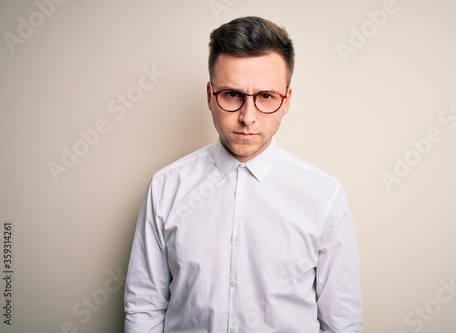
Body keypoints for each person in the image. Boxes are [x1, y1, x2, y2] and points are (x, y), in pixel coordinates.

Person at [124, 16, 362, 333]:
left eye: (265, 96)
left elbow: (341, 321)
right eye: (232, 95)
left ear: (286, 101)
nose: (247, 118)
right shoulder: (166, 188)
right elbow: (144, 308)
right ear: (210, 95)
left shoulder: (324, 196)